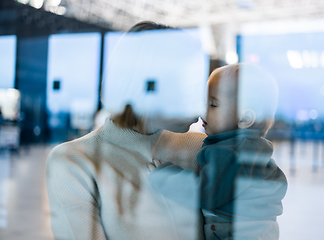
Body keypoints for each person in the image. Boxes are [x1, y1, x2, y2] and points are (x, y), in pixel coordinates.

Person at [46, 21, 207, 240]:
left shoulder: (203, 148)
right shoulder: (75, 162)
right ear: (149, 84)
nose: (202, 100)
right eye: (192, 85)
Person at [147, 63, 288, 240]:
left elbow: (205, 193)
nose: (202, 111)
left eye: (213, 105)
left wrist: (164, 176)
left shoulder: (229, 152)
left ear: (244, 118)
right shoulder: (253, 149)